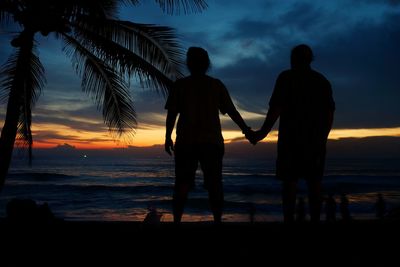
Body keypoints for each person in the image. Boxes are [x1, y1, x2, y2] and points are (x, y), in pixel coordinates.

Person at [247, 44, 335, 223]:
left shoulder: (286, 78)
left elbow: (275, 109)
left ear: (293, 59)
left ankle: (289, 222)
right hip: (315, 141)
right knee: (314, 184)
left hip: (291, 141)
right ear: (310, 59)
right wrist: (322, 139)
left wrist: (261, 133)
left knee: (290, 184)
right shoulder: (322, 81)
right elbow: (329, 114)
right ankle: (315, 221)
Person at [165, 47, 251, 224]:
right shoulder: (215, 85)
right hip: (211, 143)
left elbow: (172, 114)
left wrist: (167, 137)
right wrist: (246, 130)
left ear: (189, 63)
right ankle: (217, 221)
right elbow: (231, 111)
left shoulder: (180, 85)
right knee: (214, 185)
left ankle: (177, 222)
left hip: (186, 142)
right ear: (207, 64)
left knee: (182, 184)